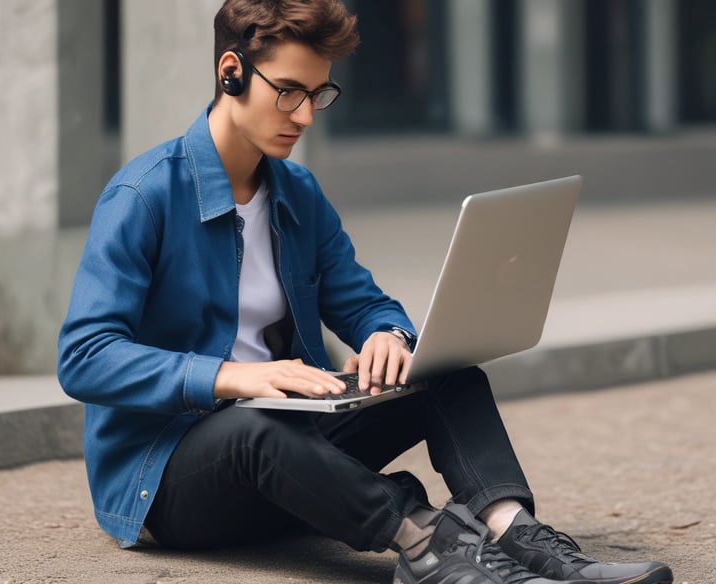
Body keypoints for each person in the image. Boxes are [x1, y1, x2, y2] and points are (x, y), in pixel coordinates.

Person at [57, 1, 673, 583]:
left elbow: (361, 301)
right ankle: (425, 543)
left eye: (317, 94)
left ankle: (516, 534)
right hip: (169, 480)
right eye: (288, 92)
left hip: (293, 458)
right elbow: (84, 356)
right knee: (253, 433)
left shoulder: (297, 193)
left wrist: (388, 335)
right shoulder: (143, 197)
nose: (303, 115)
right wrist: (233, 377)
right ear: (231, 72)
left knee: (446, 372)